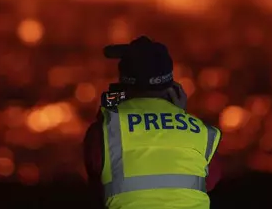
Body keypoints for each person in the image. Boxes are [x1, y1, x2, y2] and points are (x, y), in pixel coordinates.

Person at [83, 36, 222, 209]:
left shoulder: (104, 131)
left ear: (123, 84)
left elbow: (98, 190)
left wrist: (107, 114)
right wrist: (179, 115)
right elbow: (208, 183)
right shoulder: (201, 133)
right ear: (173, 89)